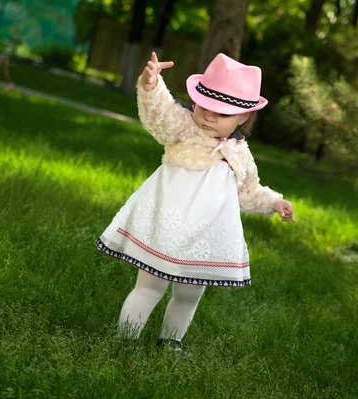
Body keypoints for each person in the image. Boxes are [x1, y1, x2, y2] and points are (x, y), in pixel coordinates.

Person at [96, 52, 295, 354]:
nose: (209, 115)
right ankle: (125, 343)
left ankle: (170, 342)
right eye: (205, 105)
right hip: (166, 229)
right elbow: (160, 113)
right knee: (149, 288)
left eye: (222, 112)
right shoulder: (184, 128)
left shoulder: (239, 153)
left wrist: (275, 202)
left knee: (189, 295)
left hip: (204, 238)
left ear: (243, 117)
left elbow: (248, 190)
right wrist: (151, 86)